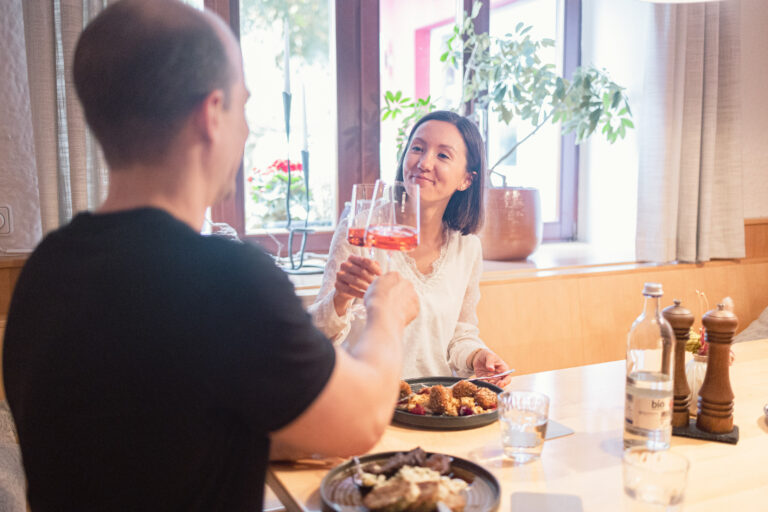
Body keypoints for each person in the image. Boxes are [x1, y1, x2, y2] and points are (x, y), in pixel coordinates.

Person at [2, 1, 419, 510]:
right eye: (242, 107)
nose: (244, 131)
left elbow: (167, 425)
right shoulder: (225, 279)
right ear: (210, 115)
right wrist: (386, 314)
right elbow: (363, 420)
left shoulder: (44, 270)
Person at [309, 111, 512, 386]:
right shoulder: (360, 230)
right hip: (361, 399)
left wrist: (477, 355)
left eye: (443, 155)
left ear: (467, 179)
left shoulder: (467, 248)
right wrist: (341, 298)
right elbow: (316, 335)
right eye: (417, 148)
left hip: (431, 405)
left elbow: (460, 333)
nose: (424, 162)